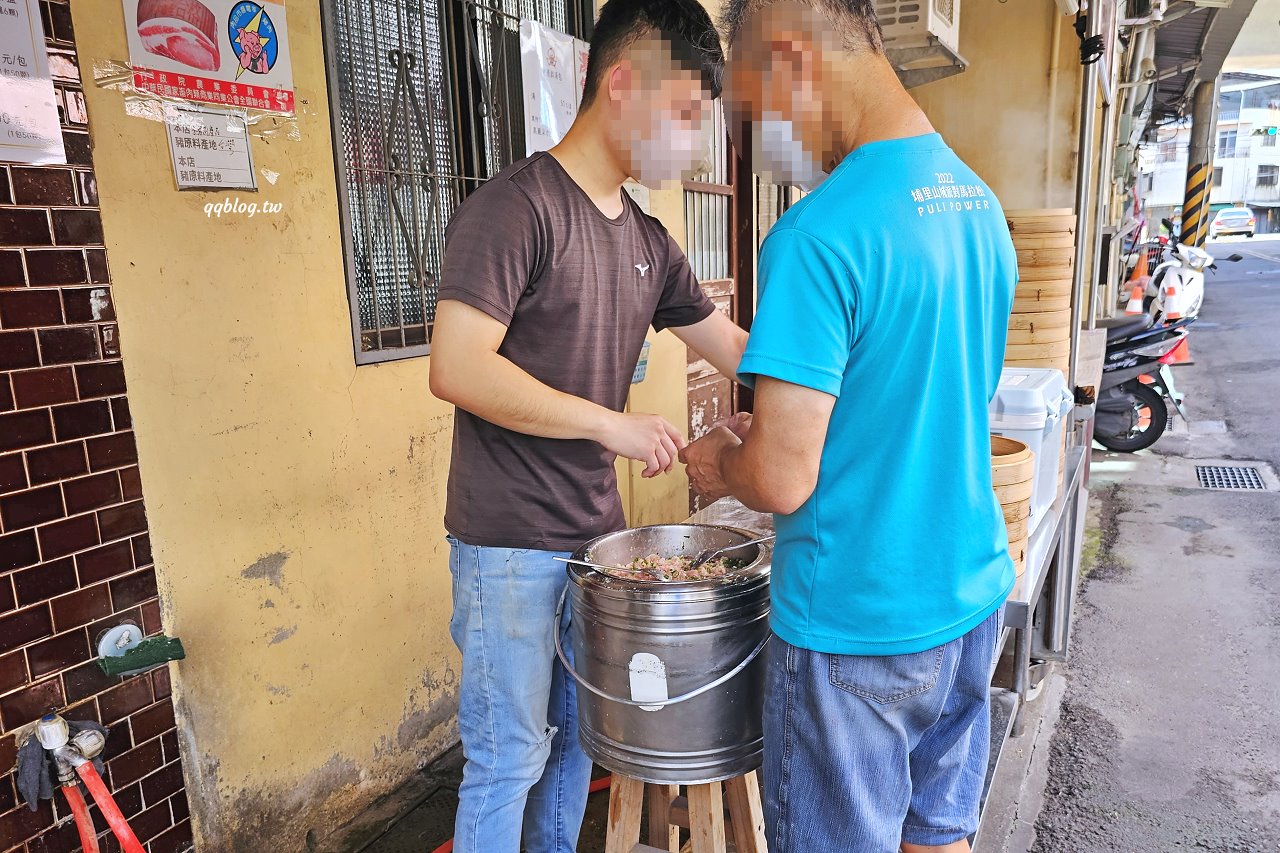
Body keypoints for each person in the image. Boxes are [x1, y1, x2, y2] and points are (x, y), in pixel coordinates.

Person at [680, 1, 1017, 850]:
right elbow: (921, 398)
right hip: (969, 593)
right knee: (938, 834)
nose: (767, 141)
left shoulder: (818, 234)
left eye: (758, 109)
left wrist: (722, 462)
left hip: (857, 624)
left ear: (792, 58)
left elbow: (780, 477)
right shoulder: (980, 207)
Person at [427, 0, 748, 849]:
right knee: (508, 758)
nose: (693, 143)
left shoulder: (649, 239)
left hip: (595, 548)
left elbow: (735, 347)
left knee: (577, 743)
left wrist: (829, 386)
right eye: (684, 114)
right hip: (506, 544)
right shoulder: (515, 208)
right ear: (622, 86)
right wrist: (609, 424)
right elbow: (456, 366)